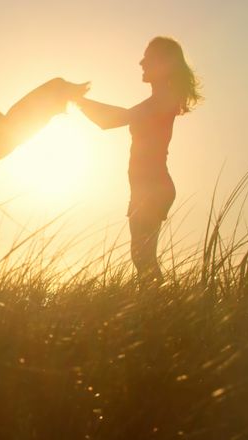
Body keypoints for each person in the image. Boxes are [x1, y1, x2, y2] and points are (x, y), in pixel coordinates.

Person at [74, 37, 202, 284]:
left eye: (148, 57)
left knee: (143, 258)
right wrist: (81, 102)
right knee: (141, 257)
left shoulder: (164, 99)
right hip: (147, 186)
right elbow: (113, 119)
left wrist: (79, 100)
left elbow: (112, 120)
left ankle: (159, 310)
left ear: (164, 63)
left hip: (153, 186)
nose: (141, 62)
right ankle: (156, 307)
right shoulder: (160, 99)